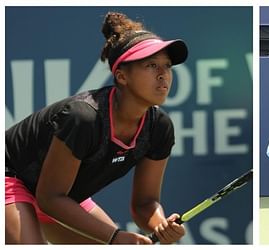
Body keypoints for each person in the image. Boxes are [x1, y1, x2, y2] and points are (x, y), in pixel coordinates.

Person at [5, 12, 188, 244]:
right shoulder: (83, 118)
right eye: (151, 65)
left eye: (167, 66)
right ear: (121, 76)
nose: (163, 75)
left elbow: (144, 204)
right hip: (13, 177)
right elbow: (50, 199)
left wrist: (160, 224)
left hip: (60, 193)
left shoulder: (160, 128)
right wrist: (114, 237)